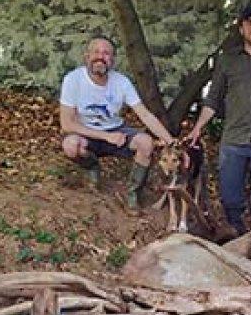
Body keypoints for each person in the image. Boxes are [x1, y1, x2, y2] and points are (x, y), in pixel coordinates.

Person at [184, 4, 251, 234]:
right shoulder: (228, 60)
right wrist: (197, 129)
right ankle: (238, 235)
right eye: (249, 23)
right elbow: (213, 98)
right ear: (241, 28)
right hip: (234, 139)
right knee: (230, 195)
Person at [59, 36, 176, 209]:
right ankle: (92, 167)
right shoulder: (73, 79)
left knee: (146, 142)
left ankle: (133, 193)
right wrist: (106, 136)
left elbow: (145, 115)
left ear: (112, 60)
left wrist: (171, 141)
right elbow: (66, 124)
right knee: (71, 145)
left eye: (106, 53)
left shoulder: (121, 82)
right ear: (86, 56)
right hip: (86, 132)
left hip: (117, 129)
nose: (101, 56)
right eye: (96, 52)